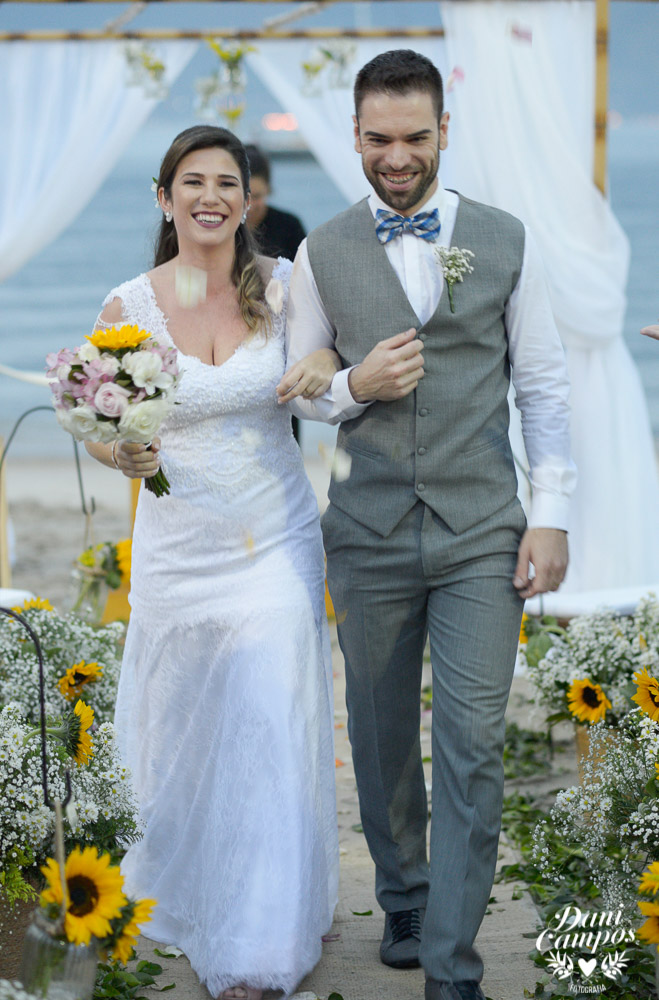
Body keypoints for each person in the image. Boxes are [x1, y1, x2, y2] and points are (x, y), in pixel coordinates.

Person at [277, 50, 576, 1000]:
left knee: (472, 741)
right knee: (374, 731)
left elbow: (542, 384)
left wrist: (554, 516)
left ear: (443, 132)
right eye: (377, 139)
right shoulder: (318, 253)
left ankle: (451, 965)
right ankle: (402, 891)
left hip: (482, 526)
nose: (396, 155)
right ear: (355, 136)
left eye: (413, 137)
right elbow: (300, 386)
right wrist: (353, 387)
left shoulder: (506, 239)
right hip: (363, 530)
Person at [85, 125, 340, 1000]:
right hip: (176, 550)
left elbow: (327, 367)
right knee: (186, 730)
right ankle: (192, 894)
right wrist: (122, 456)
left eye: (226, 181)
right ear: (164, 198)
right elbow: (103, 427)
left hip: (274, 542)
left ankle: (261, 940)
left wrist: (325, 361)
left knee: (268, 721)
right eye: (192, 181)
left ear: (247, 198)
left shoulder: (284, 282)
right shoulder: (127, 304)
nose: (211, 196)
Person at [244, 144, 307, 261]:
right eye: (244, 196)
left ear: (268, 190)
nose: (249, 205)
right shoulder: (226, 226)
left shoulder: (289, 226)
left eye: (256, 196)